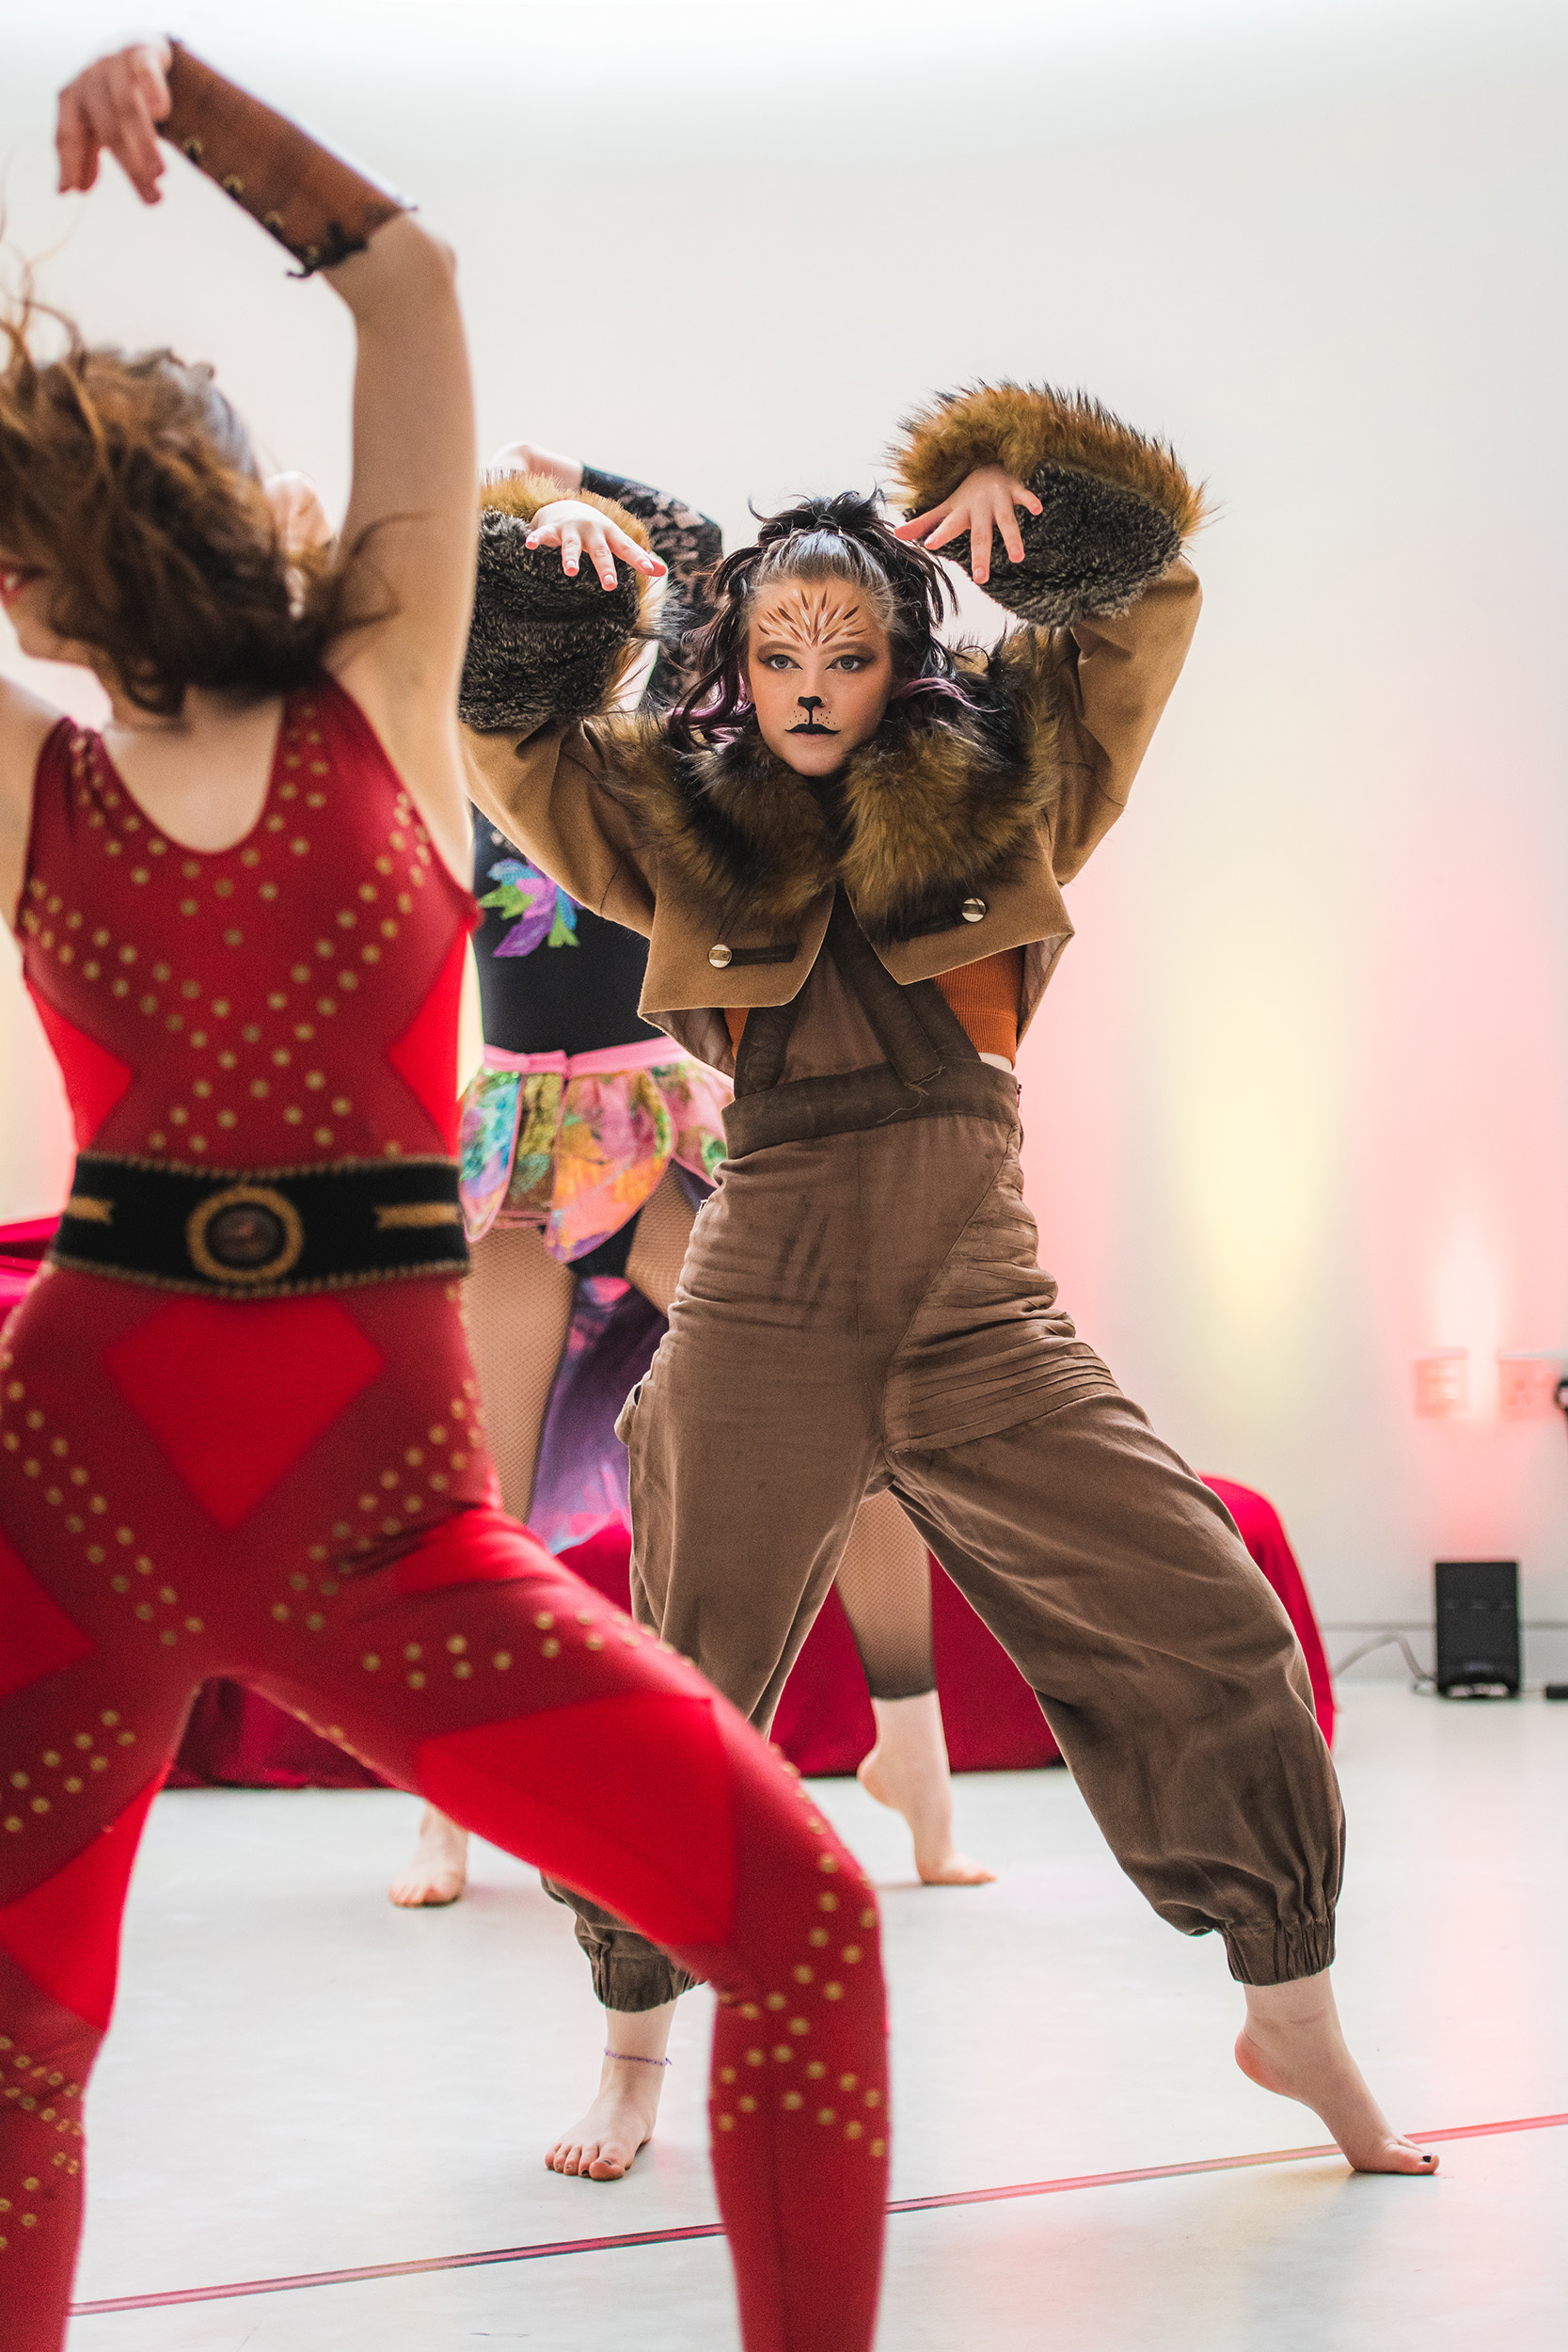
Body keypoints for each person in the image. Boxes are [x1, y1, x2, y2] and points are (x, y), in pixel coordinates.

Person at [0, 43, 888, 2352]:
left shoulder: (387, 677)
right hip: (75, 1470)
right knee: (17, 2059)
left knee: (799, 1913)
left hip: (378, 1504)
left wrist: (189, 100)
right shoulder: (36, 772)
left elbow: (407, 283)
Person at [460, 386, 1442, 2185]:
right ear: (736, 668)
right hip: (767, 1286)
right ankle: (627, 2046)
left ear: (905, 651)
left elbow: (1135, 612)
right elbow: (508, 727)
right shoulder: (667, 818)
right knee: (684, 1678)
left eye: (846, 647)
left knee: (1213, 1620)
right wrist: (536, 580)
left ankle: (1289, 2009)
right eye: (775, 652)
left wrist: (1027, 499)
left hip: (982, 1292)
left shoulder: (1015, 784)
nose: (811, 682)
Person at [395, 439, 992, 1922]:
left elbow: (704, 554)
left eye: (577, 586)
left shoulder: (671, 730)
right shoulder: (471, 746)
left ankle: (910, 1752)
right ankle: (450, 1800)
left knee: (850, 1411)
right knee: (486, 1475)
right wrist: (486, 524)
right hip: (522, 1133)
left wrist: (579, 487)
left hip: (663, 1118)